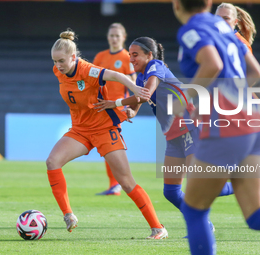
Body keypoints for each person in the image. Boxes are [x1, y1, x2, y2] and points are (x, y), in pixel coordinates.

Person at [172, 0, 260, 254]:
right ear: (208, 3)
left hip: (227, 127)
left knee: (194, 209)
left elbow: (212, 64)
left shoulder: (191, 28)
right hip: (254, 120)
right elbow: (256, 72)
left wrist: (188, 98)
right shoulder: (224, 29)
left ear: (177, 4)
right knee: (257, 215)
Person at [94, 36, 234, 233]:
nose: (131, 59)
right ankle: (205, 224)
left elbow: (146, 94)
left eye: (135, 55)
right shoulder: (142, 76)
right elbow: (138, 103)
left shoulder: (155, 66)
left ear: (149, 55)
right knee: (171, 192)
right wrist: (131, 111)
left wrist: (115, 103)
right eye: (129, 55)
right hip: (173, 135)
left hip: (190, 127)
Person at [48, 29, 168, 239]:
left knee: (126, 181)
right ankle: (68, 215)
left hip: (104, 129)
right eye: (55, 61)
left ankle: (158, 228)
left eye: (62, 61)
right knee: (52, 162)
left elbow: (115, 75)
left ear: (73, 58)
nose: (58, 65)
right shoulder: (58, 71)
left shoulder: (87, 70)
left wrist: (134, 88)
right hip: (80, 130)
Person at [216, 2, 260, 206]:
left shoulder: (238, 43)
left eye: (225, 18)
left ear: (235, 22)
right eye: (217, 18)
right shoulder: (216, 42)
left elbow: (254, 74)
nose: (220, 22)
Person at [93, 23, 137, 196]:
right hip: (101, 106)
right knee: (107, 147)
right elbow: (93, 79)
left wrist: (130, 107)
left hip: (117, 107)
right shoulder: (100, 56)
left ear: (123, 38)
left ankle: (118, 184)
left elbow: (134, 83)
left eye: (117, 36)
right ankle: (115, 184)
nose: (114, 39)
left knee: (110, 146)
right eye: (111, 35)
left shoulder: (127, 57)